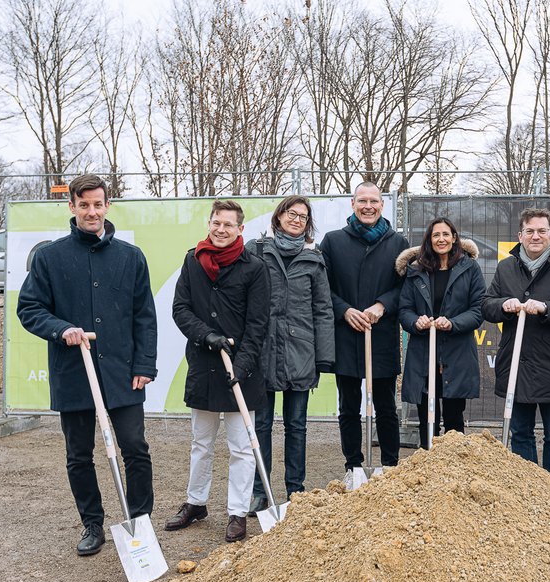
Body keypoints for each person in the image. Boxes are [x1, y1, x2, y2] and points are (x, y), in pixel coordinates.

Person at [17, 174, 158, 556]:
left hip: (123, 373)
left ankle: (140, 520)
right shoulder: (50, 257)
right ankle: (92, 524)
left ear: (107, 205)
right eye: (84, 205)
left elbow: (144, 315)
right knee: (79, 454)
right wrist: (61, 329)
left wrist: (145, 364)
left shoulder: (130, 257)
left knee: (135, 448)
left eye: (98, 204)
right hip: (74, 373)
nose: (91, 211)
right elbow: (29, 308)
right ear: (72, 207)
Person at [166, 200, 270, 543]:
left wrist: (241, 366)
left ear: (240, 229)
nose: (221, 229)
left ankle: (238, 511)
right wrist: (206, 335)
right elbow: (180, 308)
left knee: (242, 447)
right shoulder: (193, 260)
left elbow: (258, 325)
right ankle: (196, 503)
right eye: (216, 223)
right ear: (209, 224)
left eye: (228, 224)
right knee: (201, 442)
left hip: (243, 371)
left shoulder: (254, 267)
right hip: (204, 366)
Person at [481, 208, 550, 479]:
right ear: (520, 235)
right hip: (516, 362)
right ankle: (528, 489)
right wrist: (503, 305)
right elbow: (487, 305)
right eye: (530, 231)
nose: (536, 236)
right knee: (521, 431)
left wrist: (546, 308)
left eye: (542, 231)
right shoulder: (506, 267)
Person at [245, 196, 334, 514]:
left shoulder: (314, 258)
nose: (297, 219)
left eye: (303, 216)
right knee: (262, 425)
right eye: (291, 213)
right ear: (278, 216)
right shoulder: (256, 250)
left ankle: (296, 489)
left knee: (297, 425)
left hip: (301, 353)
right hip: (263, 352)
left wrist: (323, 357)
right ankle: (260, 490)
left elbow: (323, 309)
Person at [319, 182, 409, 477]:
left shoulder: (398, 243)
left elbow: (404, 288)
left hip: (381, 336)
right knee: (348, 406)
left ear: (382, 205)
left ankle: (390, 466)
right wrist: (344, 310)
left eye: (374, 201)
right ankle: (353, 465)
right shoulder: (333, 242)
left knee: (385, 405)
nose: (368, 206)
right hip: (345, 337)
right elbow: (322, 289)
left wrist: (381, 306)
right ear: (352, 203)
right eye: (362, 201)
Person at [397, 218, 485, 448]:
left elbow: (478, 310)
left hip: (457, 353)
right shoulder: (416, 270)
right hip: (424, 352)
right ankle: (429, 462)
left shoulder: (470, 268)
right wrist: (417, 321)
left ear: (454, 237)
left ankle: (455, 469)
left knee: (455, 417)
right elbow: (404, 309)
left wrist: (453, 322)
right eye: (436, 235)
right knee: (427, 416)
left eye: (446, 234)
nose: (441, 239)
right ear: (429, 239)